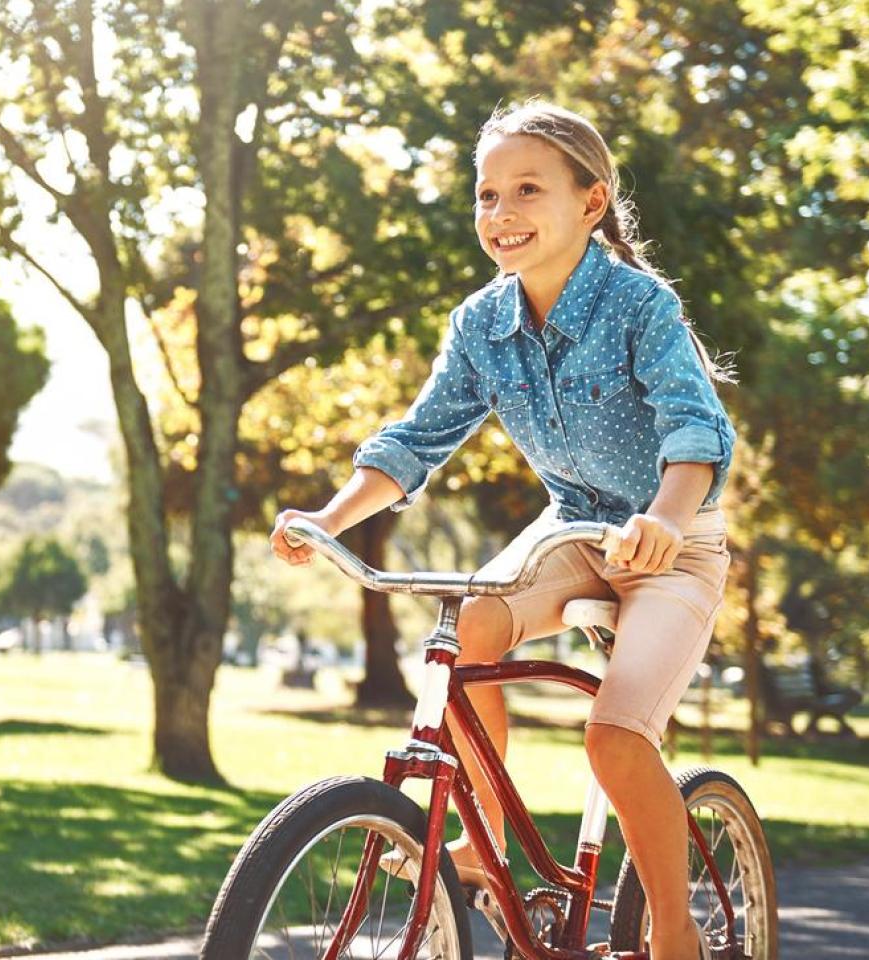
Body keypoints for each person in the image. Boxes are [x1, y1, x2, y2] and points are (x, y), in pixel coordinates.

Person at [269, 101, 736, 960]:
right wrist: (329, 519)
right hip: (572, 535)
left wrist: (665, 523)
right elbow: (418, 438)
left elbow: (693, 430)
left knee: (617, 739)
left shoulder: (641, 305)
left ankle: (674, 933)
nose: (501, 214)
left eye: (527, 190)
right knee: (470, 625)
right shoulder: (481, 324)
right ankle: (481, 845)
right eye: (486, 195)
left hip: (675, 548)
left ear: (591, 203)